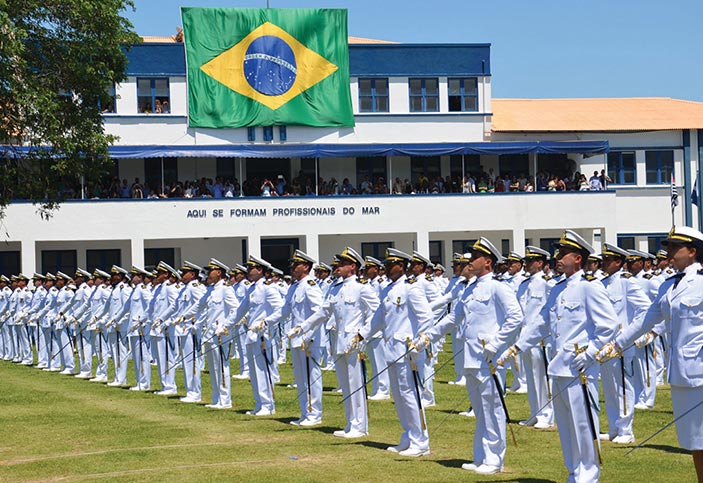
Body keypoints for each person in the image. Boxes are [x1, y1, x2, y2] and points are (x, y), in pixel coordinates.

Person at [498, 230, 619, 483]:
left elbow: (608, 325)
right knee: (566, 427)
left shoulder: (589, 287)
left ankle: (589, 474)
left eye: (563, 254)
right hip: (559, 366)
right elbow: (541, 323)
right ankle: (574, 471)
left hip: (580, 368)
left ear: (577, 258)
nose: (558, 257)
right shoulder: (557, 289)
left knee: (584, 424)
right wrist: (518, 347)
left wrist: (591, 353)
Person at [596, 225, 703, 482]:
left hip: (701, 372)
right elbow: (646, 319)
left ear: (692, 251)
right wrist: (617, 344)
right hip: (681, 373)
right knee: (694, 441)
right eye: (668, 247)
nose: (669, 252)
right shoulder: (669, 285)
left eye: (675, 248)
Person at [414, 237, 523, 475]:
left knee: (492, 410)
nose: (469, 261)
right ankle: (481, 456)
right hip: (472, 358)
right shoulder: (470, 288)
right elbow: (454, 318)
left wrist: (496, 344)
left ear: (488, 262)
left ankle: (495, 459)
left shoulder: (498, 287)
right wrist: (428, 336)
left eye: (474, 258)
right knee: (480, 409)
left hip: (488, 358)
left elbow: (516, 317)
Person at [351, 248, 434, 457]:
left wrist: (420, 341)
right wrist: (361, 334)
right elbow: (379, 318)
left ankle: (420, 441)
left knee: (410, 395)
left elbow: (426, 318)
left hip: (407, 351)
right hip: (392, 350)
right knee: (398, 396)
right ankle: (408, 435)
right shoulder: (388, 290)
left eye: (390, 265)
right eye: (385, 265)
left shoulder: (411, 288)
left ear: (402, 266)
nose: (386, 269)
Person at [295, 247, 380, 438]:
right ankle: (350, 423)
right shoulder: (336, 288)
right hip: (339, 342)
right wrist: (304, 326)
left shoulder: (361, 287)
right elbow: (324, 312)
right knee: (346, 384)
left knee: (356, 384)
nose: (338, 267)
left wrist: (363, 333)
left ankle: (360, 426)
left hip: (354, 342)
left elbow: (377, 311)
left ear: (352, 266)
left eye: (342, 264)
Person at [596, 243, 650, 444]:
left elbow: (645, 309)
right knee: (610, 389)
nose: (603, 263)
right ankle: (614, 428)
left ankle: (626, 431)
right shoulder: (602, 282)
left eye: (608, 260)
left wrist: (628, 334)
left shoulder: (627, 282)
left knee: (623, 388)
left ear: (618, 262)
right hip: (605, 345)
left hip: (621, 345)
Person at [266, 250, 325, 426]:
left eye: (296, 264)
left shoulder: (310, 285)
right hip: (297, 339)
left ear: (305, 267)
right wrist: (266, 321)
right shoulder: (294, 286)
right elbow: (285, 310)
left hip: (309, 340)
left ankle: (315, 414)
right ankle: (305, 413)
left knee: (311, 376)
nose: (292, 267)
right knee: (300, 377)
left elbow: (319, 312)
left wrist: (307, 333)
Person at [228, 255, 284, 416]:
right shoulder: (252, 288)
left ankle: (268, 405)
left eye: (251, 268)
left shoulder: (269, 288)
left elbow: (280, 310)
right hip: (252, 335)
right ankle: (259, 403)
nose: (248, 271)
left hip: (263, 336)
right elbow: (240, 310)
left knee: (263, 370)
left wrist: (266, 323)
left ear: (260, 270)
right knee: (254, 372)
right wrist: (226, 325)